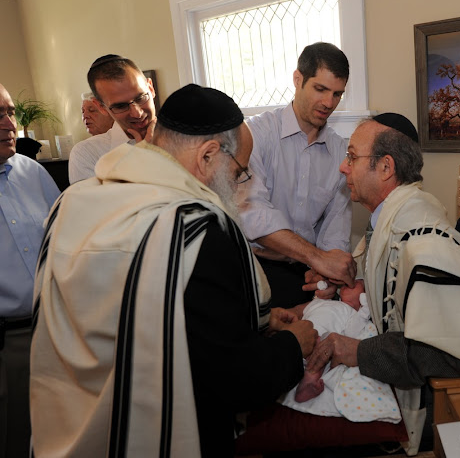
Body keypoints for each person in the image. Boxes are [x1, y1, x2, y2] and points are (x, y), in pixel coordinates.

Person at [30, 84, 318, 458]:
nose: (238, 185)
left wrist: (256, 319)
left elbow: (136, 316)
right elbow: (231, 378)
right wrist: (292, 345)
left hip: (70, 424)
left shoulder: (71, 202)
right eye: (239, 172)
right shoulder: (195, 228)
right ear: (208, 155)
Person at [308, 113, 460, 454]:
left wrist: (357, 351)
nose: (343, 167)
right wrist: (347, 282)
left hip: (436, 405)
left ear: (386, 168)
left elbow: (448, 354)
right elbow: (387, 284)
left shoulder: (425, 246)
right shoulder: (393, 219)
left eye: (352, 157)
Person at [239, 42, 356, 308]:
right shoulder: (256, 134)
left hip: (308, 273)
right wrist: (318, 258)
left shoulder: (340, 151)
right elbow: (253, 215)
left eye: (337, 94)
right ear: (297, 79)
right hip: (254, 268)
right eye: (320, 89)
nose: (329, 103)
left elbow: (336, 229)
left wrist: (329, 275)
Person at [0, 82, 60, 458]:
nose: (10, 124)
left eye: (9, 112)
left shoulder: (33, 173)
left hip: (52, 332)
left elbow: (64, 242)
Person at [279, 286, 401, 425]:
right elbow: (304, 311)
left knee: (318, 358)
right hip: (301, 334)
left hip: (321, 341)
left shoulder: (351, 312)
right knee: (291, 350)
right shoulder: (322, 302)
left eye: (356, 285)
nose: (349, 285)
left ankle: (307, 383)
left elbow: (353, 331)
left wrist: (364, 310)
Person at [68, 55, 156, 184]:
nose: (137, 113)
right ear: (101, 107)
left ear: (151, 88)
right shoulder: (88, 153)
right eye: (121, 106)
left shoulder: (183, 138)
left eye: (141, 98)